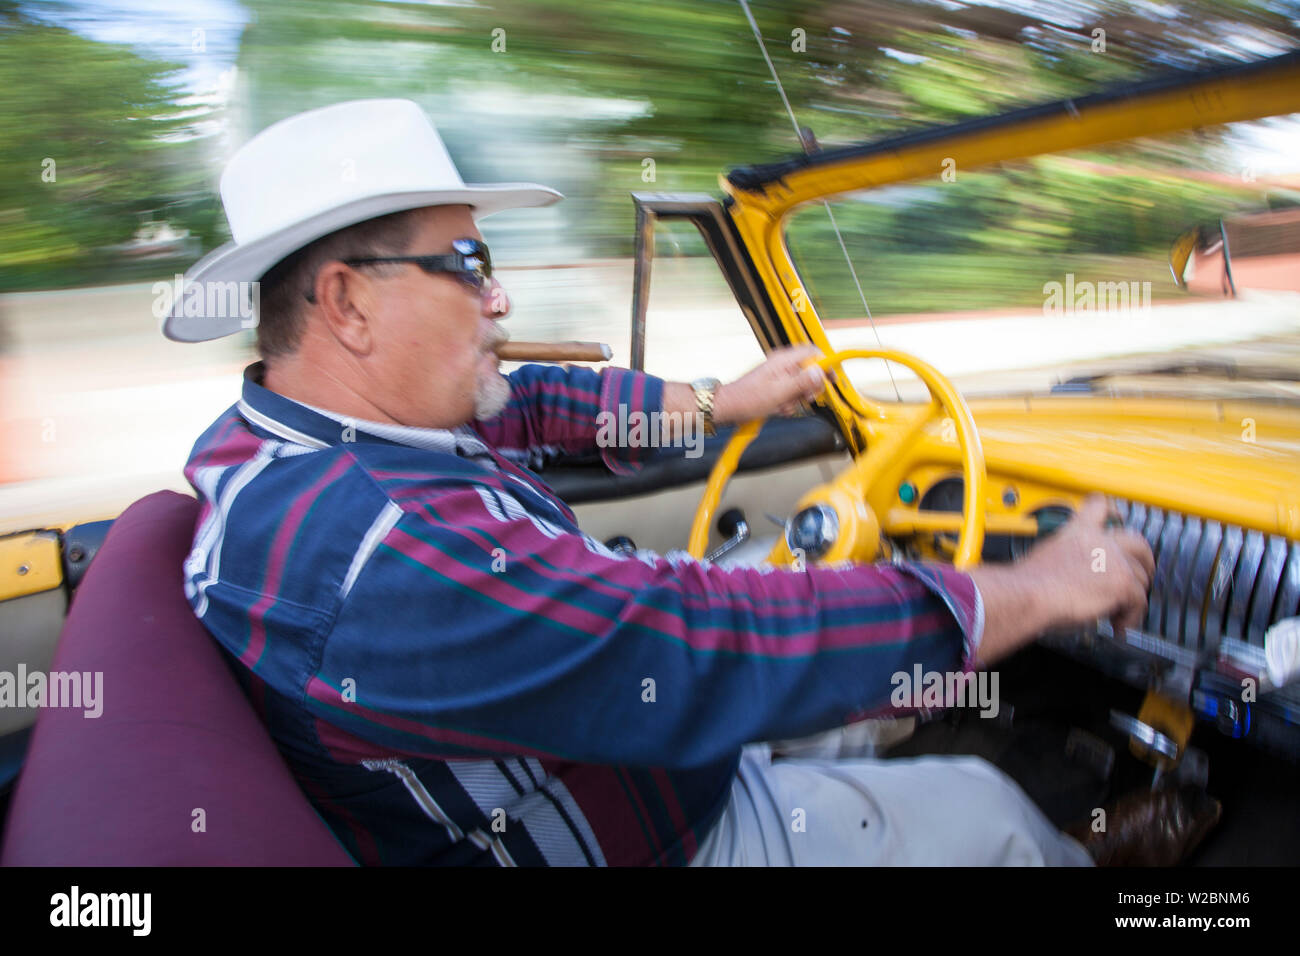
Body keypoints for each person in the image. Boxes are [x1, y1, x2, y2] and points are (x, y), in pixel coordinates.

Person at [172, 99, 1165, 866]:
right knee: (980, 809)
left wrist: (715, 401)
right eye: (468, 262)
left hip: (610, 752)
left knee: (870, 697)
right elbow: (697, 642)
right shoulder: (378, 556)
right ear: (347, 302)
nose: (499, 294)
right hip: (643, 838)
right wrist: (1040, 585)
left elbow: (542, 401)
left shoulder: (302, 440)